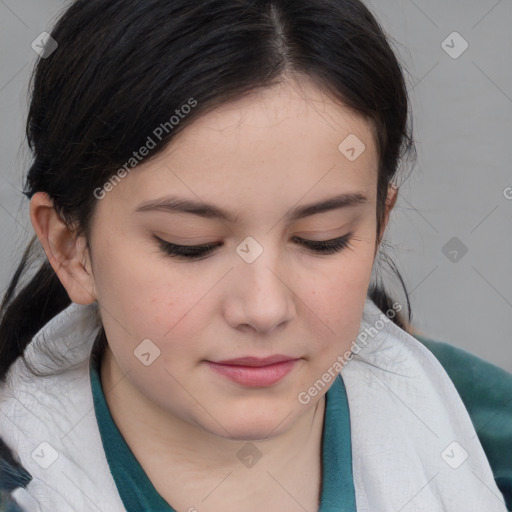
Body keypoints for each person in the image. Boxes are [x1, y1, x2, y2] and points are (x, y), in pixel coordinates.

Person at [0, 0, 510, 511]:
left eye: (322, 238)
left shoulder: (479, 429)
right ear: (71, 250)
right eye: (190, 245)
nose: (265, 309)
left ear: (378, 225)